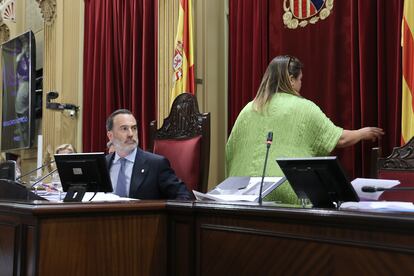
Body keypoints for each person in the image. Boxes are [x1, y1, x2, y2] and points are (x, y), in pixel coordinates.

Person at [226, 55, 384, 204]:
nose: (301, 84)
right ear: (291, 79)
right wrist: (363, 133)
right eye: (300, 79)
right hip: (284, 191)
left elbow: (230, 150)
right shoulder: (303, 107)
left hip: (241, 194)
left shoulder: (248, 108)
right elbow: (339, 138)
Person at [105, 109, 191, 200]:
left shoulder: (156, 164)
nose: (131, 134)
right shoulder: (103, 164)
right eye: (124, 129)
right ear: (110, 136)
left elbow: (183, 197)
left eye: (134, 128)